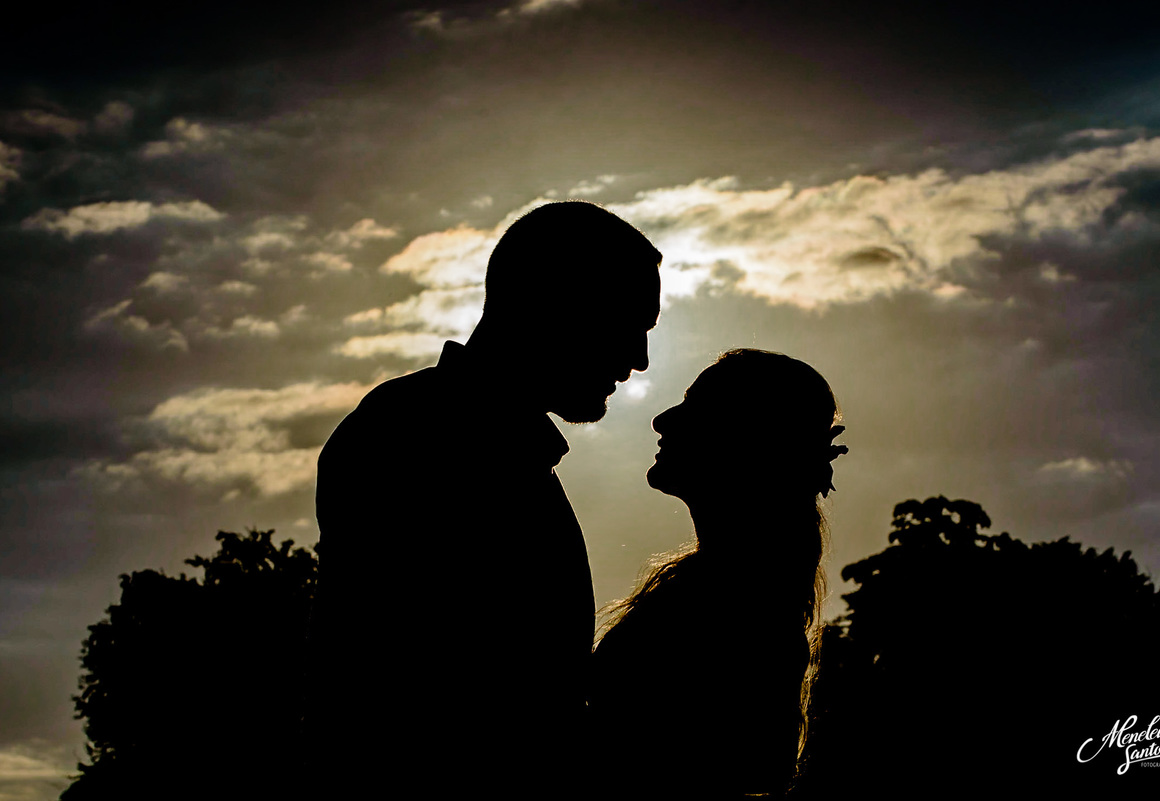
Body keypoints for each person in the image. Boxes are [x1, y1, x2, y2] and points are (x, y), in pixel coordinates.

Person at [309, 201, 661, 798]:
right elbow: (451, 700)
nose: (640, 360)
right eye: (629, 324)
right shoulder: (420, 438)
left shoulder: (482, 446)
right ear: (557, 306)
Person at [590, 348, 846, 800]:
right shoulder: (736, 593)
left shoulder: (737, 610)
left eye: (694, 408)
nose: (662, 420)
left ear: (744, 441)